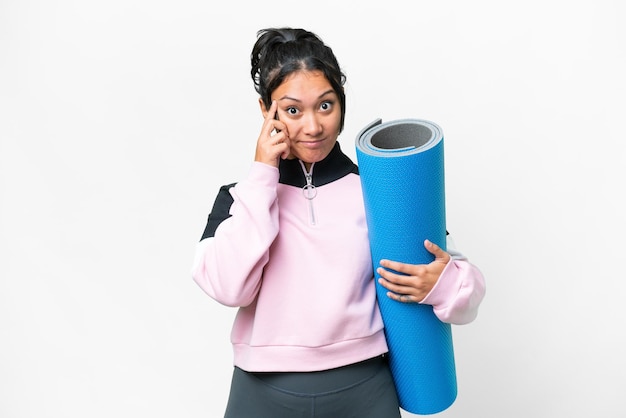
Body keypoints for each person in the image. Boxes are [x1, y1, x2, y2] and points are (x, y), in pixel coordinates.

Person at [191, 27, 486, 418]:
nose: (313, 127)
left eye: (325, 106)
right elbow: (228, 287)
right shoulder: (240, 197)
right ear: (267, 111)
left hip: (364, 390)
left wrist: (444, 282)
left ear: (341, 106)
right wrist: (263, 174)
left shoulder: (380, 194)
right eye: (293, 110)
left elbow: (467, 291)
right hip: (261, 393)